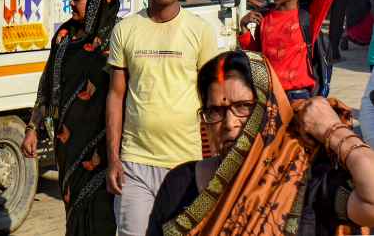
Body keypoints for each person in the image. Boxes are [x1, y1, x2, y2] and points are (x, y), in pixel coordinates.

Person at [146, 50, 374, 236]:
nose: (229, 123)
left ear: (270, 110)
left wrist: (333, 130)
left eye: (243, 107)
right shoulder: (180, 184)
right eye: (215, 110)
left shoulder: (305, 180)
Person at [105, 0, 219, 236]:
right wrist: (114, 159)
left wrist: (216, 160)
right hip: (135, 163)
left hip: (187, 162)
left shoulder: (200, 31)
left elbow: (213, 100)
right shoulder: (126, 30)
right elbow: (116, 96)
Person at [20, 0, 120, 236]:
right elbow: (47, 84)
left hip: (104, 147)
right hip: (68, 147)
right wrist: (32, 128)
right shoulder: (64, 37)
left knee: (103, 217)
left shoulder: (118, 37)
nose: (72, 4)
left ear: (98, 1)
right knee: (74, 214)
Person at [239, 0, 338, 100]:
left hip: (298, 97)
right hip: (269, 96)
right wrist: (244, 28)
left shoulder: (309, 17)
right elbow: (256, 58)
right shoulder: (265, 16)